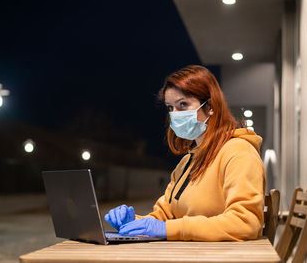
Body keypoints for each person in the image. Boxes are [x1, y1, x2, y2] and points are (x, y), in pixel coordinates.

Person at [104, 65, 266, 241]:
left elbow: (245, 223)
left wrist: (174, 229)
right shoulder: (187, 162)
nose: (175, 115)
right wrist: (133, 222)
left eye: (183, 104)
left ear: (210, 106)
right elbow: (164, 217)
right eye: (170, 108)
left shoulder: (239, 153)